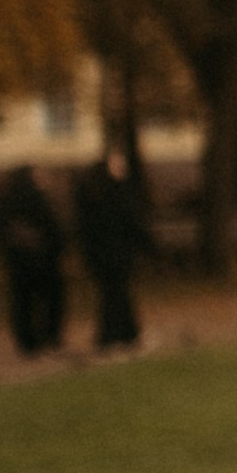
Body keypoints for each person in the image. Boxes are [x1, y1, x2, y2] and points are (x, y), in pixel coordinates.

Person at [71, 148, 154, 351]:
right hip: (114, 254)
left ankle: (126, 333)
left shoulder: (92, 194)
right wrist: (149, 245)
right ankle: (111, 336)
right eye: (117, 165)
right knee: (115, 295)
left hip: (104, 255)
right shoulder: (114, 194)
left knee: (115, 294)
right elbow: (130, 223)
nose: (122, 169)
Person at [0, 165, 67, 356]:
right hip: (38, 262)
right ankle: (46, 338)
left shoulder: (8, 200)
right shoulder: (34, 199)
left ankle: (29, 341)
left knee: (24, 302)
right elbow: (49, 229)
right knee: (45, 300)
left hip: (22, 263)